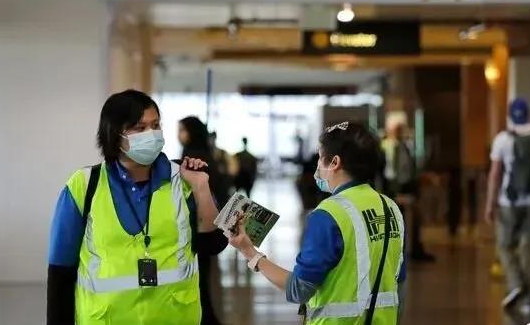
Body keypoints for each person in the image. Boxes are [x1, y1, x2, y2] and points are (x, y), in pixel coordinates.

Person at [46, 90, 227, 325]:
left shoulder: (183, 180)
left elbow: (214, 245)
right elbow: (60, 270)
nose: (151, 134)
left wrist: (201, 187)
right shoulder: (84, 185)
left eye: (155, 125)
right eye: (139, 128)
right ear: (115, 134)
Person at [228, 122, 406, 325]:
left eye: (321, 158)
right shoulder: (391, 208)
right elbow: (398, 283)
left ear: (335, 162)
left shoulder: (329, 214)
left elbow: (298, 289)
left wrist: (250, 253)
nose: (318, 165)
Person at [485, 97, 530, 315]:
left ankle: (516, 283)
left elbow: (495, 176)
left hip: (508, 203)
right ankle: (528, 300)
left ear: (510, 116)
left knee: (505, 246)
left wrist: (490, 204)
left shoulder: (502, 140)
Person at [178, 117, 229, 325]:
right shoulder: (206, 153)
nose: (179, 135)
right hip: (208, 225)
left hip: (199, 226)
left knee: (198, 282)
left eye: (182, 130)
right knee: (202, 280)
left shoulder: (193, 158)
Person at [381, 123, 435, 263]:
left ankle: (413, 249)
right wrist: (394, 191)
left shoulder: (404, 147)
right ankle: (400, 250)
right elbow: (392, 171)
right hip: (397, 188)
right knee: (398, 220)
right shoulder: (390, 147)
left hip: (407, 186)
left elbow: (407, 169)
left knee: (411, 218)